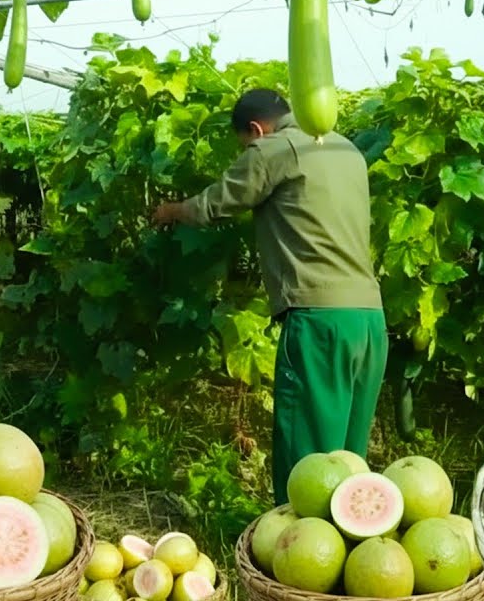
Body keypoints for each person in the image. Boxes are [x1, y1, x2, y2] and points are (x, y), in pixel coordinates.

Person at [150, 88, 387, 505]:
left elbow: (213, 205)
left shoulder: (275, 148)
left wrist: (170, 211)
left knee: (310, 468)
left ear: (257, 130)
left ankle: (295, 543)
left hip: (319, 320)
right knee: (350, 465)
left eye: (245, 143)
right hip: (368, 319)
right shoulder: (345, 149)